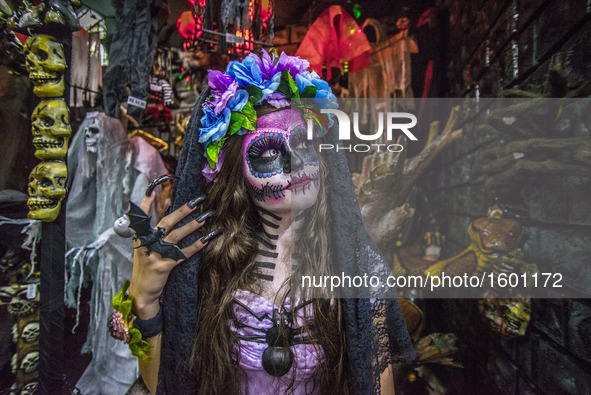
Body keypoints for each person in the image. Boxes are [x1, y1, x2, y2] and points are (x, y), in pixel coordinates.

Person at [117, 50, 414, 394]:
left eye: (303, 142)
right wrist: (144, 300)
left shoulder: (357, 266)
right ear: (234, 172)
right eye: (269, 151)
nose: (294, 163)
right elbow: (168, 386)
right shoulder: (206, 265)